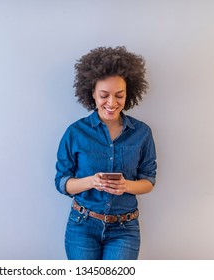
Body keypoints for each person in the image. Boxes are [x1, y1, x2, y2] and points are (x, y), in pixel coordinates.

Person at [55, 46, 157, 260]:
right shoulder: (76, 132)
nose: (112, 103)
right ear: (92, 93)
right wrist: (92, 181)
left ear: (128, 94)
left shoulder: (142, 133)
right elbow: (62, 183)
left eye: (119, 95)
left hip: (124, 229)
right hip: (82, 227)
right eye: (104, 95)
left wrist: (126, 186)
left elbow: (148, 180)